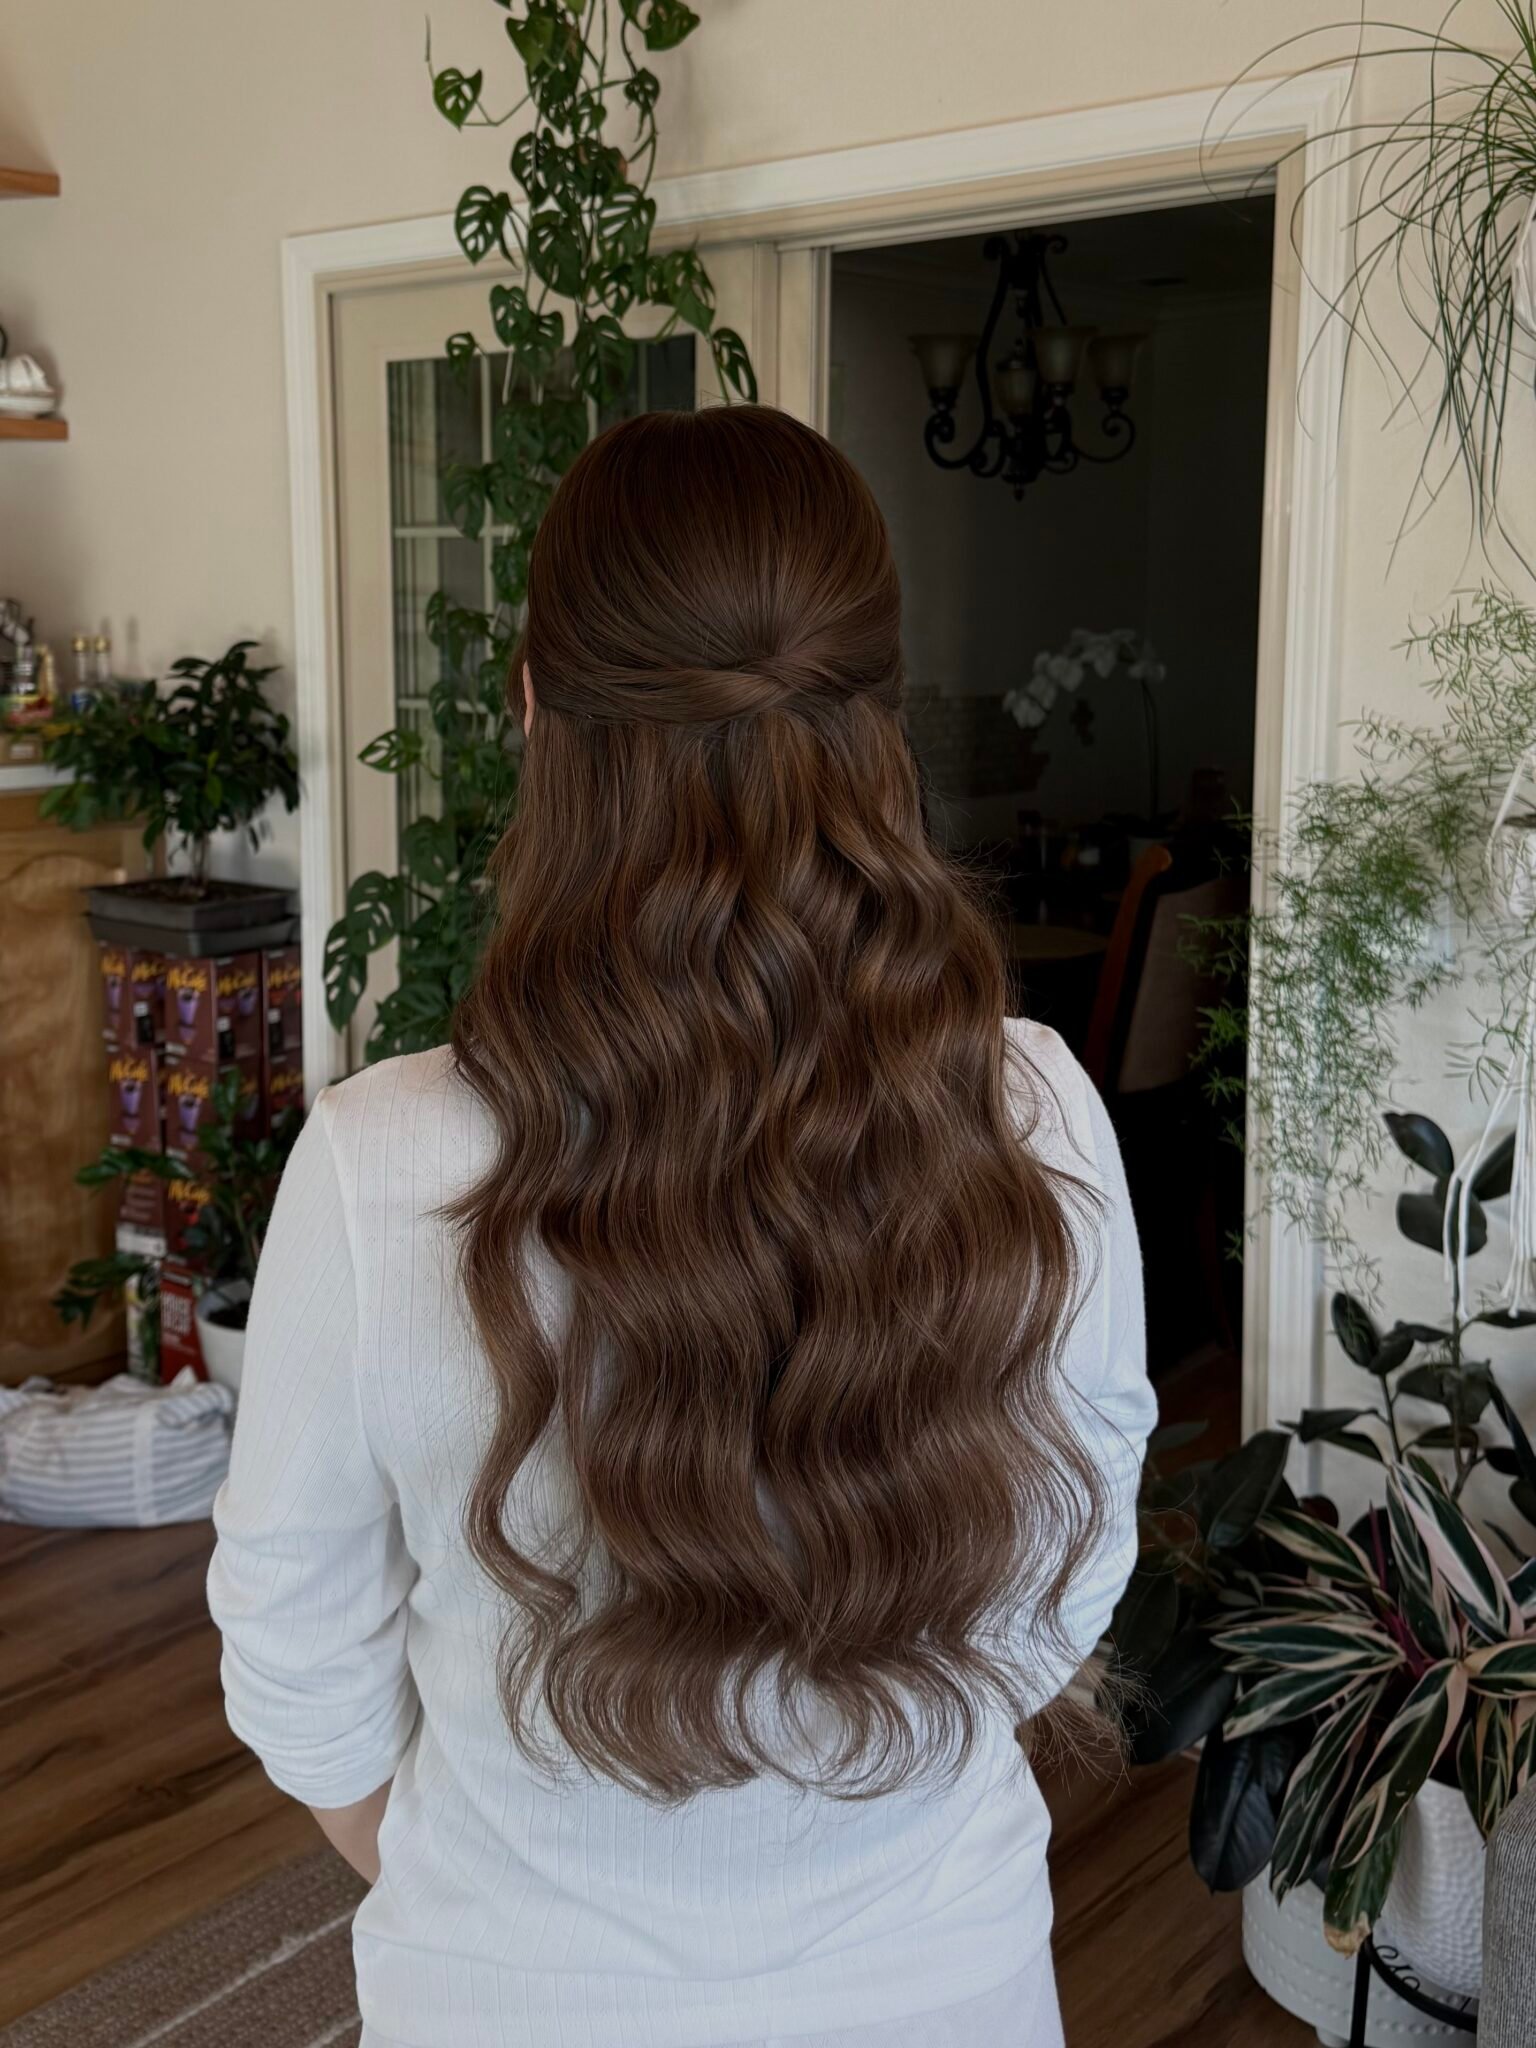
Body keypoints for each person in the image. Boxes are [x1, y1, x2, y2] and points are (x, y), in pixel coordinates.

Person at [208, 404, 1154, 2048]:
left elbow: (297, 1657)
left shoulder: (377, 1168)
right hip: (944, 1975)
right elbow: (1074, 1555)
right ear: (881, 719)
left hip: (506, 1998)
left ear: (530, 710)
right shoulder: (1040, 1109)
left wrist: (499, 1904)